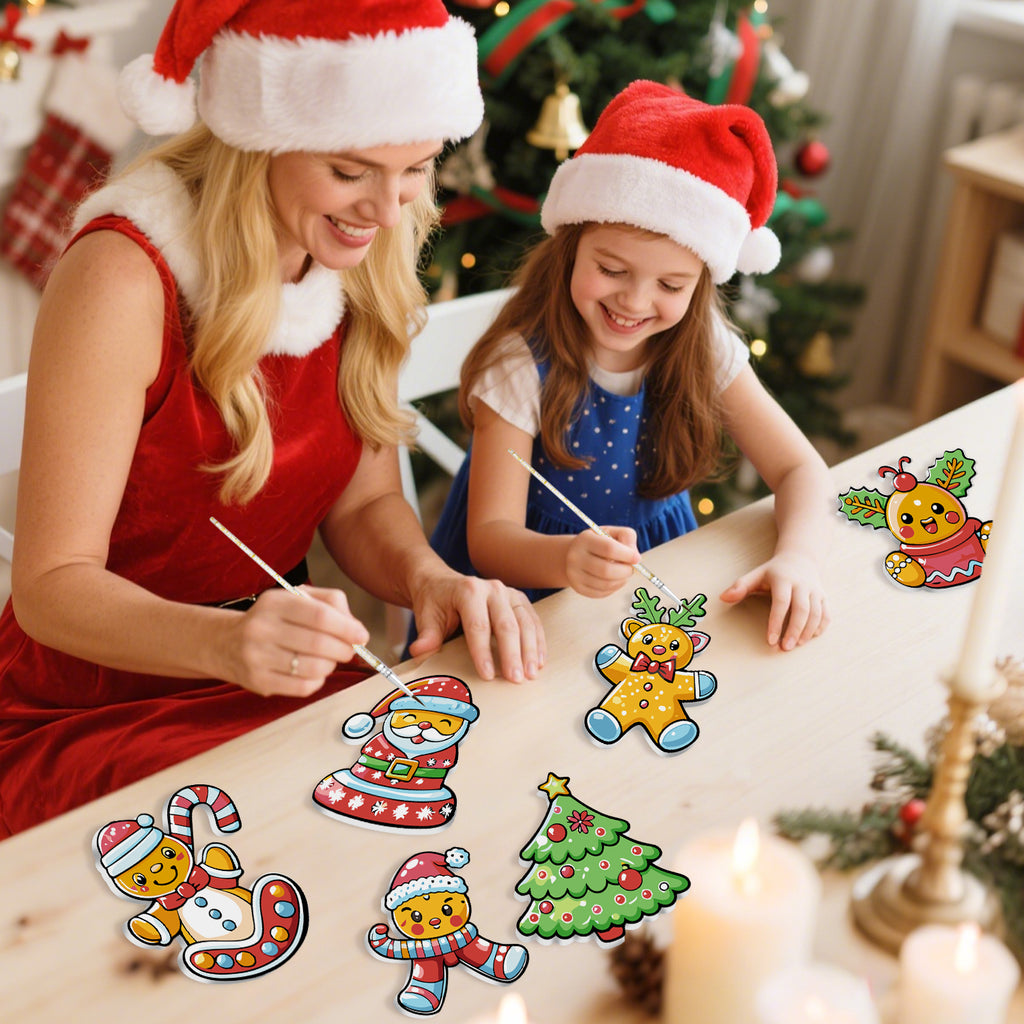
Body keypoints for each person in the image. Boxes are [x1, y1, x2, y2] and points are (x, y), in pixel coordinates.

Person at [0, 0, 544, 839]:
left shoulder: (358, 259)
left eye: (414, 169)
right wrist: (226, 646)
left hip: (275, 674)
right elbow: (48, 592)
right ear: (260, 134)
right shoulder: (121, 277)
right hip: (90, 705)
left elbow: (362, 508)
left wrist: (428, 576)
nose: (390, 211)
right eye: (352, 169)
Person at [429, 80, 832, 652]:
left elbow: (801, 470)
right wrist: (567, 558)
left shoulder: (703, 345)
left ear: (700, 285)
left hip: (656, 596)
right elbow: (489, 539)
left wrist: (800, 559)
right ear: (571, 245)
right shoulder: (520, 364)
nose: (635, 303)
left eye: (670, 284)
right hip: (527, 608)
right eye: (612, 270)